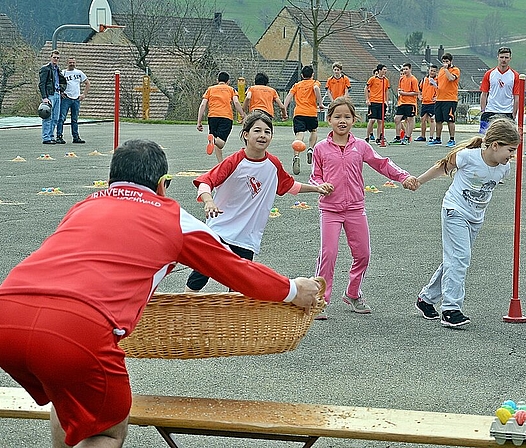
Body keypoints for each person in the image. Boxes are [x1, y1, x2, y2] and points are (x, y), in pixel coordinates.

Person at [0, 139, 322, 448]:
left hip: (8, 312)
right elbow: (238, 271)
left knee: (71, 401)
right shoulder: (174, 218)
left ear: (111, 179)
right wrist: (294, 290)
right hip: (77, 330)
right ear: (163, 184)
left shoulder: (84, 206)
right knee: (106, 432)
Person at [185, 111, 334, 292]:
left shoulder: (273, 164)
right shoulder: (234, 161)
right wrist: (208, 201)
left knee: (240, 285)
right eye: (257, 131)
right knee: (199, 276)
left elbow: (289, 186)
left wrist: (316, 188)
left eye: (267, 131)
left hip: (247, 237)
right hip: (220, 231)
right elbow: (205, 182)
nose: (262, 135)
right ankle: (183, 311)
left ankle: (235, 319)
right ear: (246, 135)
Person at [310, 97, 419, 320]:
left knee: (363, 254)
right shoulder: (321, 148)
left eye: (347, 117)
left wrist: (404, 177)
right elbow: (315, 176)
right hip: (330, 210)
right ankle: (319, 299)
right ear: (328, 119)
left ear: (354, 120)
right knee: (328, 255)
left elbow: (382, 164)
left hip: (355, 209)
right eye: (337, 117)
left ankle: (353, 292)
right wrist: (320, 186)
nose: (342, 121)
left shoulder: (360, 146)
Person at [414, 118, 519, 328]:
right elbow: (443, 167)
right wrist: (418, 181)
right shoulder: (468, 157)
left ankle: (426, 299)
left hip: (475, 218)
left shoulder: (503, 169)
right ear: (495, 145)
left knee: (454, 260)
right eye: (510, 149)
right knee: (460, 258)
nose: (512, 155)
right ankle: (451, 309)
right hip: (455, 211)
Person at [196, 71, 246, 163]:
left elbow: (203, 105)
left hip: (212, 117)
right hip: (226, 117)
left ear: (217, 80)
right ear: (228, 81)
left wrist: (199, 121)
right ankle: (213, 139)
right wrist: (242, 114)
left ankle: (220, 162)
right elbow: (236, 102)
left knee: (217, 142)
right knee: (221, 143)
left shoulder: (210, 89)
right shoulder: (231, 89)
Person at [284, 65, 323, 174]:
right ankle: (311, 148)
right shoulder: (315, 83)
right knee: (314, 131)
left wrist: (284, 109)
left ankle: (296, 156)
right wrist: (320, 103)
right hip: (311, 112)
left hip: (299, 113)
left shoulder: (297, 85)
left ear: (301, 75)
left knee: (299, 135)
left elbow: (288, 97)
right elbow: (316, 89)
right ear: (312, 75)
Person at [479, 47, 520, 134]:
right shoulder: (489, 74)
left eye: (506, 57)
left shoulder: (515, 75)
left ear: (510, 59)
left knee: (506, 140)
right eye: (501, 57)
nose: (503, 60)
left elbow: (517, 97)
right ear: (497, 57)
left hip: (507, 112)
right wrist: (483, 111)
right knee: (486, 138)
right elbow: (484, 94)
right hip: (490, 111)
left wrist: (514, 114)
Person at [428, 52, 460, 148]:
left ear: (451, 61)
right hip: (440, 98)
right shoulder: (441, 70)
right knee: (438, 120)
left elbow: (451, 78)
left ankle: (452, 139)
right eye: (443, 61)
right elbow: (439, 82)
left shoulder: (455, 70)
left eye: (447, 61)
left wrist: (446, 69)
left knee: (450, 120)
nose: (445, 63)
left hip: (450, 99)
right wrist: (433, 83)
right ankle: (437, 138)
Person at [56, 57, 90, 144]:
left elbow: (87, 83)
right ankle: (59, 136)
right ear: (67, 63)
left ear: (76, 63)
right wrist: (61, 92)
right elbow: (57, 84)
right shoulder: (63, 73)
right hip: (66, 98)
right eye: (70, 62)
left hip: (76, 99)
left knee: (74, 119)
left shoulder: (79, 73)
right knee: (61, 118)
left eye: (73, 62)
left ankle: (76, 137)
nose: (72, 64)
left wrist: (84, 94)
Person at [38, 49, 67, 145]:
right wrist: (44, 97)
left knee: (55, 118)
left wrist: (62, 91)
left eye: (57, 58)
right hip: (50, 95)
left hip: (57, 94)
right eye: (54, 57)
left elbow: (61, 81)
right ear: (51, 57)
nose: (56, 59)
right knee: (47, 117)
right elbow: (42, 84)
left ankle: (51, 136)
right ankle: (46, 137)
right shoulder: (45, 69)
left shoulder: (58, 69)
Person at [391, 63, 420, 145]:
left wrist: (405, 93)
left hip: (410, 103)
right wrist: (400, 93)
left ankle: (407, 137)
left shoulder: (413, 79)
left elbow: (416, 93)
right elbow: (400, 90)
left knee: (410, 120)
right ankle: (398, 137)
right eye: (403, 69)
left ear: (410, 69)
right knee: (397, 119)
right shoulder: (402, 79)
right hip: (402, 102)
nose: (405, 71)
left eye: (406, 69)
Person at [365, 64, 391, 145]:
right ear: (379, 70)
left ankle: (379, 137)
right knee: (372, 120)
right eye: (384, 69)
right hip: (373, 102)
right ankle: (367, 136)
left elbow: (386, 90)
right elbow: (366, 88)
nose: (385, 71)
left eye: (386, 70)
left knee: (380, 121)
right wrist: (367, 99)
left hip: (381, 102)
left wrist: (386, 100)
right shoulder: (373, 79)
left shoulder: (385, 80)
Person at [416, 64, 438, 143]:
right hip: (424, 102)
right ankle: (423, 136)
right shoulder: (424, 79)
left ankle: (431, 136)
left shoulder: (437, 80)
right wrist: (419, 96)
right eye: (431, 70)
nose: (432, 72)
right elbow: (419, 89)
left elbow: (441, 90)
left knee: (432, 119)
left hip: (432, 102)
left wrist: (437, 97)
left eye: (434, 71)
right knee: (423, 119)